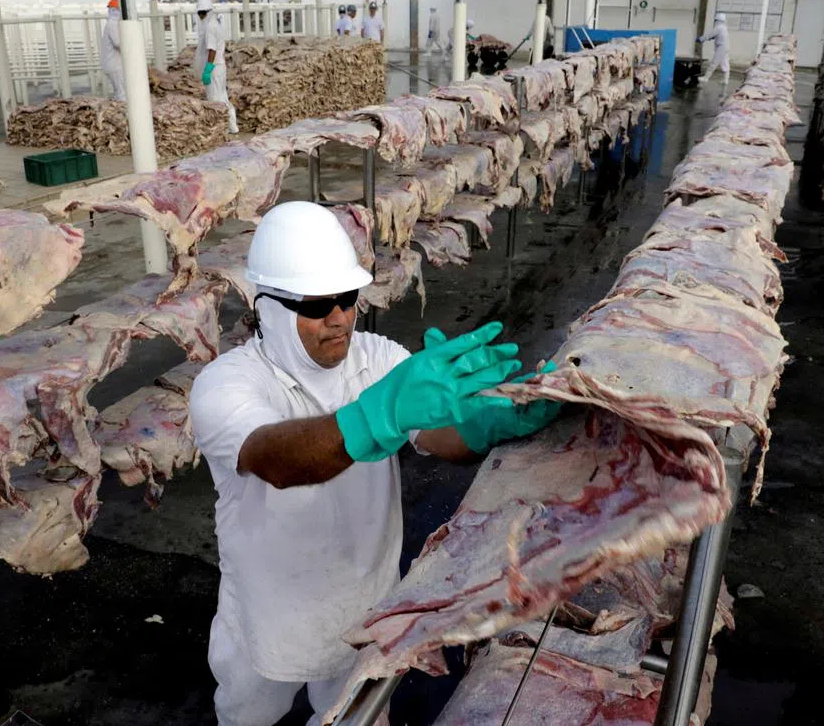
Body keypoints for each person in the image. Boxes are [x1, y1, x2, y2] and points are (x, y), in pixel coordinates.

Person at [189, 201, 560, 726]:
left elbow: (434, 435)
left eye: (347, 298)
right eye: (318, 305)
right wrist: (377, 413)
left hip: (364, 601)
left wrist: (487, 425)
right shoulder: (226, 384)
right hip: (269, 607)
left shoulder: (376, 358)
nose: (339, 317)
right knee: (250, 712)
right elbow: (277, 459)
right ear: (269, 307)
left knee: (353, 717)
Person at [195, 0, 239, 135]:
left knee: (215, 99)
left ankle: (223, 128)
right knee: (222, 96)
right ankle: (232, 127)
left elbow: (212, 50)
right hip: (219, 67)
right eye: (199, 13)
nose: (200, 16)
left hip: (214, 68)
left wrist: (208, 69)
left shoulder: (210, 28)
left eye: (202, 13)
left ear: (208, 12)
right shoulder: (215, 24)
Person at [100, 0, 126, 101]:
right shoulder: (112, 24)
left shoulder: (112, 23)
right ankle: (124, 113)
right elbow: (118, 43)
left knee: (119, 91)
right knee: (122, 93)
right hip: (114, 65)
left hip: (113, 64)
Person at [698, 13, 730, 86]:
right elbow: (717, 36)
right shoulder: (724, 27)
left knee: (714, 63)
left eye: (715, 20)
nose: (715, 21)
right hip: (725, 47)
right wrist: (712, 38)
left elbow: (710, 34)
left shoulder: (718, 27)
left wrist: (700, 39)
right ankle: (725, 80)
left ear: (718, 20)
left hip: (721, 47)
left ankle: (706, 78)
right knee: (725, 63)